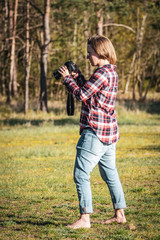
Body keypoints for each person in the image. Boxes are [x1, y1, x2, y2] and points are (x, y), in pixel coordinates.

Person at [58, 34, 127, 229]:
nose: (88, 56)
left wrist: (66, 80)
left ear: (100, 52)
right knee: (110, 174)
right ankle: (120, 214)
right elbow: (91, 92)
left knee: (81, 174)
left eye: (90, 53)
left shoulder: (101, 73)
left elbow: (81, 95)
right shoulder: (110, 71)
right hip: (109, 131)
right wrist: (77, 76)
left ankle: (84, 219)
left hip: (95, 131)